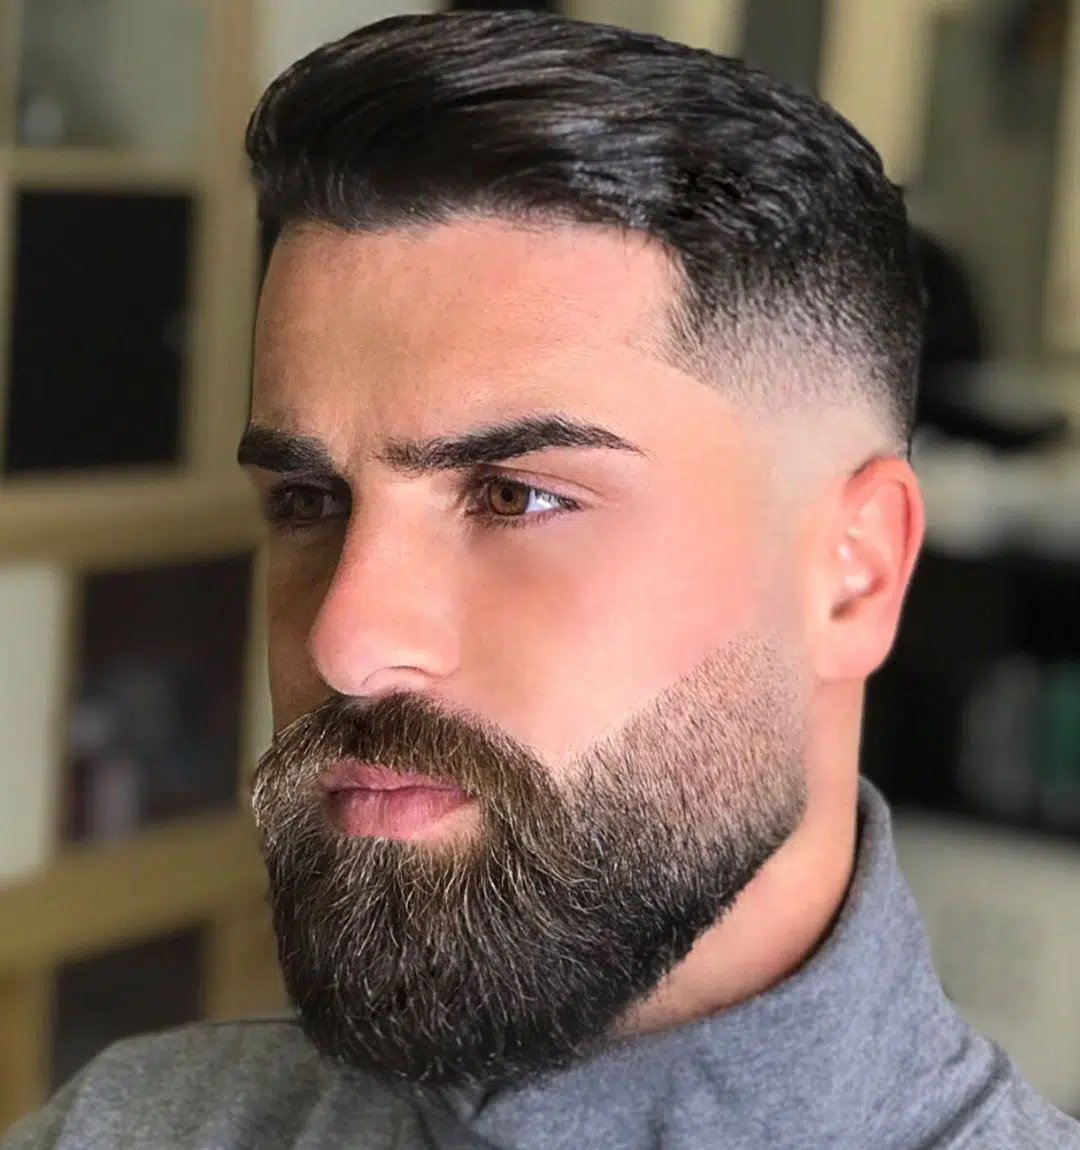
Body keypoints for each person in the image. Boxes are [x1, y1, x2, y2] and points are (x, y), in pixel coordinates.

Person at [5, 10, 1079, 1149]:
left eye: (516, 497)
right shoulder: (124, 1127)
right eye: (309, 501)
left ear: (853, 576)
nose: (345, 642)